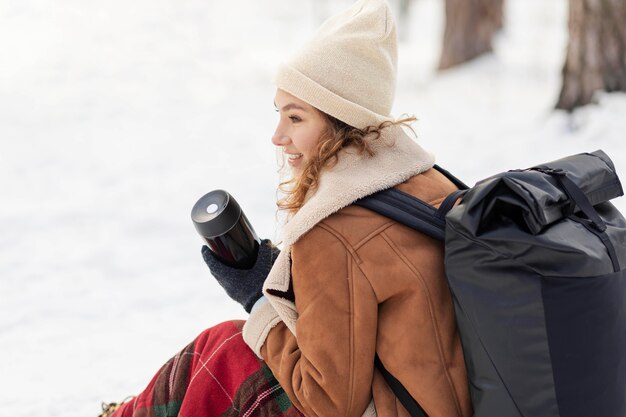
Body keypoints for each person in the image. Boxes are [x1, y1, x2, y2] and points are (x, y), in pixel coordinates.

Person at [100, 1, 472, 416]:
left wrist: (255, 299)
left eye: (296, 118)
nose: (278, 136)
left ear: (341, 120)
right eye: (279, 114)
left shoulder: (332, 227)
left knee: (223, 354)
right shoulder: (425, 179)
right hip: (444, 400)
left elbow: (328, 402)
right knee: (222, 345)